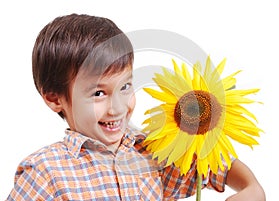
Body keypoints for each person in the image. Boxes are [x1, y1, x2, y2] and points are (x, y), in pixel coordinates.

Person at [6, 13, 265, 200]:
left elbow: (212, 164)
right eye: (98, 93)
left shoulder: (151, 153)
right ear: (55, 99)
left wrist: (251, 187)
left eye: (125, 87)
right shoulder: (45, 173)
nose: (117, 108)